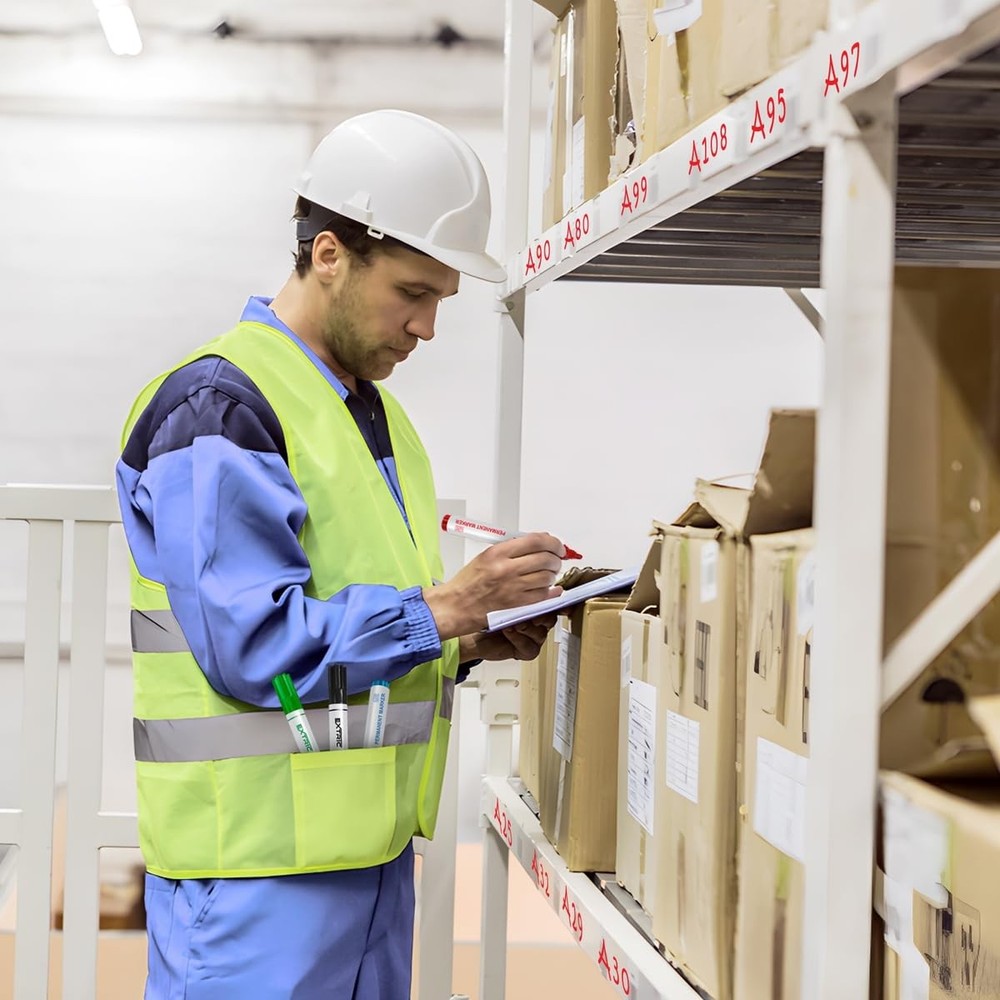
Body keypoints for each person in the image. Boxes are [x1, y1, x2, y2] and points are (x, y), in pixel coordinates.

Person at [115, 109, 567, 1000]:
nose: (427, 326)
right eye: (413, 292)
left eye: (441, 298)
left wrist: (465, 640)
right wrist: (443, 610)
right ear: (329, 254)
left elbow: (350, 616)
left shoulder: (374, 416)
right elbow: (254, 648)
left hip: (366, 867)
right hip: (252, 881)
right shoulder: (220, 407)